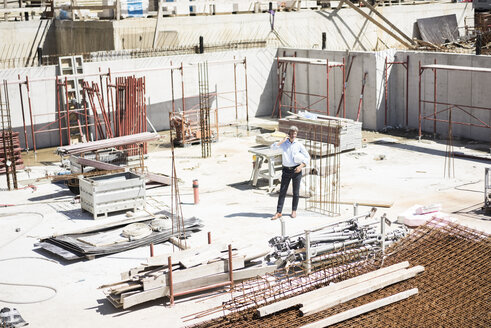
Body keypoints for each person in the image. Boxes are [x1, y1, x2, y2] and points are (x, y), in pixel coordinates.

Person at [270, 125, 310, 220]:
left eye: (294, 134)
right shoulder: (284, 144)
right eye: (291, 133)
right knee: (282, 191)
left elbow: (308, 157)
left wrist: (301, 166)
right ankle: (279, 212)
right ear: (289, 134)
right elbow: (272, 148)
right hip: (286, 170)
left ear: (296, 134)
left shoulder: (299, 145)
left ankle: (294, 211)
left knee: (296, 192)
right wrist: (282, 141)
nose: (293, 135)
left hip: (296, 170)